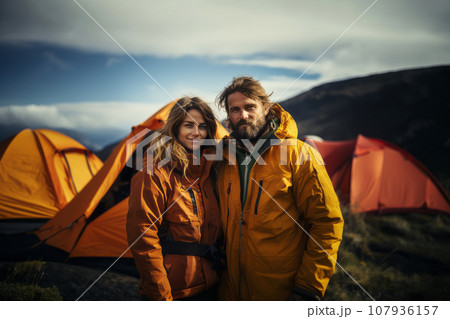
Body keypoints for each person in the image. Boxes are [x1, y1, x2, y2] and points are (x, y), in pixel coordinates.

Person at [215, 76, 344, 301]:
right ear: (228, 116)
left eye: (250, 107)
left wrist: (309, 287)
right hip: (229, 290)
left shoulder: (299, 155)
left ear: (266, 108)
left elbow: (326, 223)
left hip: (280, 292)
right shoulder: (222, 158)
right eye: (234, 109)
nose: (242, 116)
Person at [126, 97, 223, 301]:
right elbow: (143, 236)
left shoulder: (210, 171)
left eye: (203, 127)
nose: (196, 132)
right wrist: (161, 296)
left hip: (212, 286)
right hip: (174, 291)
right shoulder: (154, 171)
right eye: (189, 125)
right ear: (175, 128)